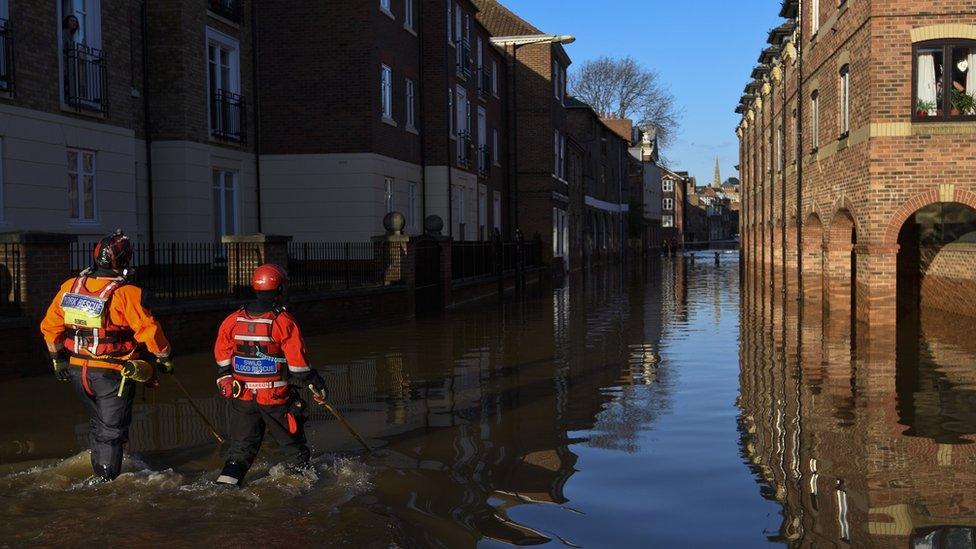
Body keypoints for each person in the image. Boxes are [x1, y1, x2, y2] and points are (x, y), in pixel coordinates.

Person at [40, 230, 173, 482]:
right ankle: (105, 486)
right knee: (112, 432)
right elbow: (149, 331)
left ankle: (99, 473)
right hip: (113, 374)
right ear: (124, 261)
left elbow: (50, 326)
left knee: (98, 425)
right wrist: (164, 358)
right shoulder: (127, 293)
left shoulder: (71, 287)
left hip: (79, 371)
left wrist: (57, 359)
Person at [213, 264, 328, 487]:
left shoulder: (232, 320)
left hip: (243, 398)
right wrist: (318, 384)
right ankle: (302, 497)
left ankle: (224, 490)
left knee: (239, 453)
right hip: (275, 400)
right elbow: (299, 368)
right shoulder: (284, 322)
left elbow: (222, 363)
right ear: (279, 289)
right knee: (294, 449)